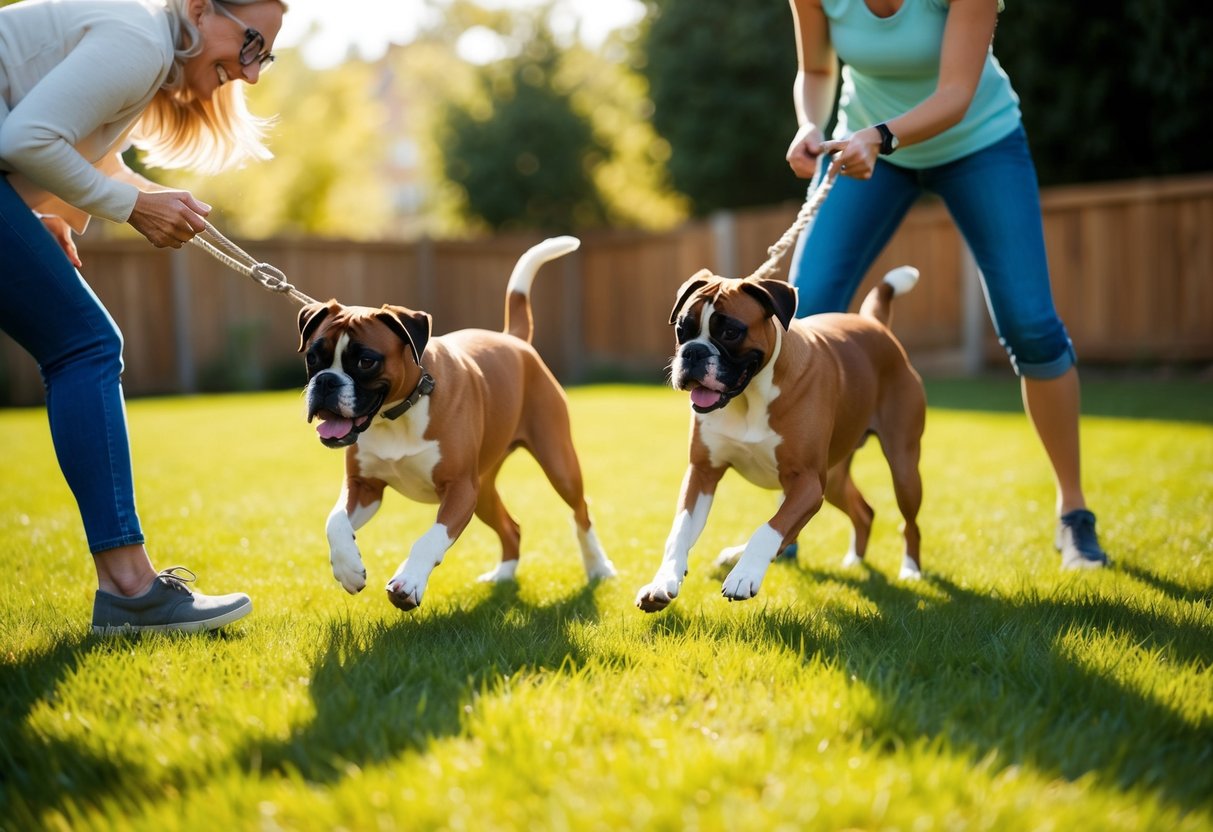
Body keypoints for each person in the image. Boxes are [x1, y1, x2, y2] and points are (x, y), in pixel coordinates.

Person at [783, 0, 1108, 569]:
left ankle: (1074, 514)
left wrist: (881, 136)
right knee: (799, 317)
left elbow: (956, 93)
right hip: (863, 146)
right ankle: (784, 527)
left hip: (978, 142)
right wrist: (810, 123)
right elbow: (815, 70)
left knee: (1030, 324)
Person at [0, 0, 288, 633]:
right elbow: (24, 141)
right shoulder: (140, 40)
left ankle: (129, 589)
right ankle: (130, 588)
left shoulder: (143, 49)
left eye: (264, 57)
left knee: (83, 342)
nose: (251, 73)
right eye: (250, 44)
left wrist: (45, 215)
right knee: (85, 344)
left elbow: (83, 152)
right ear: (199, 9)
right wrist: (132, 207)